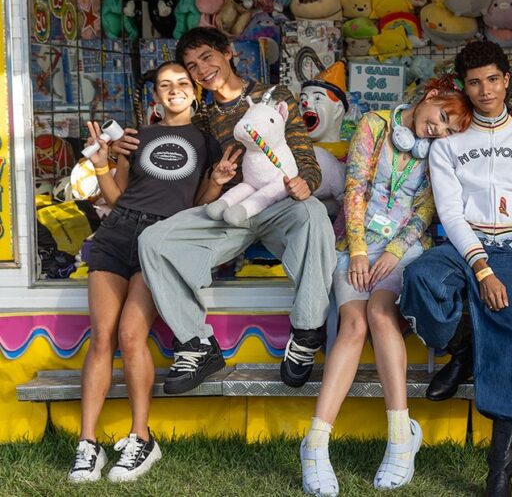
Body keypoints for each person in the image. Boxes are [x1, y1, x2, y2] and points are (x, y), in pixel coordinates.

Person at [398, 40, 512, 497]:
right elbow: (450, 213)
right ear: (465, 86)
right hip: (464, 245)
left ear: (505, 80)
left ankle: (500, 474)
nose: (485, 90)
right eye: (475, 82)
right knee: (419, 279)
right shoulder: (447, 145)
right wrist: (481, 269)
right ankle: (462, 349)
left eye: (493, 80)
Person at [123, 27, 335, 394]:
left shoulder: (273, 96)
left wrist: (306, 182)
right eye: (192, 65)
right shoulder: (202, 117)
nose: (202, 69)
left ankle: (306, 332)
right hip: (232, 210)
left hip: (278, 201)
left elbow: (305, 156)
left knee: (313, 214)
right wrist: (122, 152)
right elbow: (183, 172)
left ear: (228, 52)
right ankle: (197, 343)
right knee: (154, 240)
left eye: (207, 57)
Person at [299, 82, 472, 495]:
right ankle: (315, 444)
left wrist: (394, 252)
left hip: (404, 248)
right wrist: (359, 251)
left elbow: (426, 209)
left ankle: (399, 437)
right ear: (430, 96)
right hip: (355, 244)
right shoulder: (374, 125)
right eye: (442, 118)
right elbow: (355, 189)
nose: (439, 131)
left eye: (449, 131)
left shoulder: (437, 152)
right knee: (353, 325)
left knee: (380, 313)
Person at [70, 62, 233, 482]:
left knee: (130, 336)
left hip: (159, 243)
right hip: (116, 234)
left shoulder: (207, 141)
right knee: (102, 337)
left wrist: (217, 181)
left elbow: (198, 204)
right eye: (165, 85)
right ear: (156, 96)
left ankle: (141, 438)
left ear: (194, 91)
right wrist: (103, 163)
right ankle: (87, 444)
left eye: (182, 83)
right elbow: (116, 196)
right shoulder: (136, 137)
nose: (174, 90)